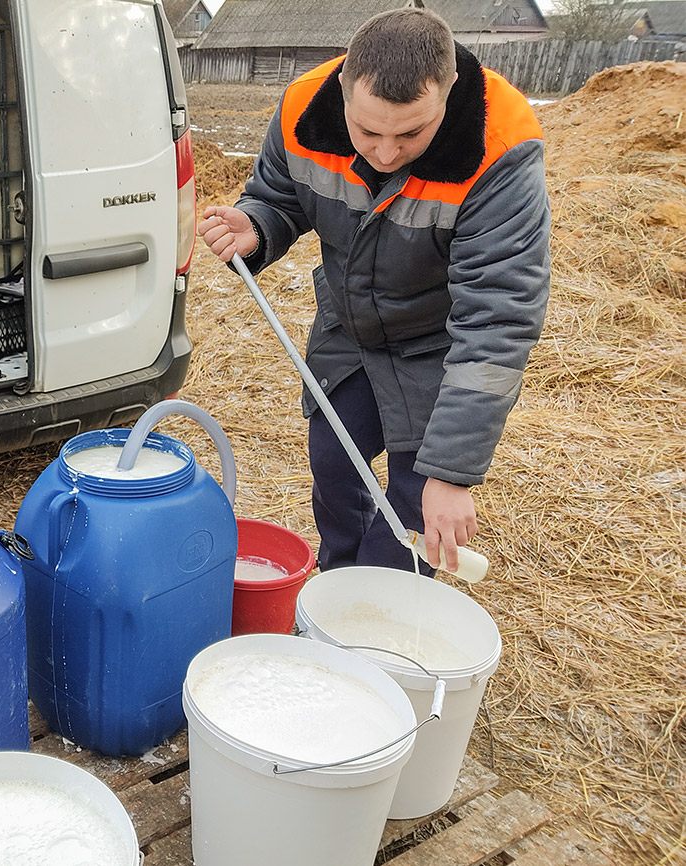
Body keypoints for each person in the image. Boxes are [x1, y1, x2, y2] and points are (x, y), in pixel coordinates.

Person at [199, 8, 549, 575]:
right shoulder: (301, 111)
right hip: (349, 330)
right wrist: (258, 224)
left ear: (448, 91)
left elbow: (497, 318)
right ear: (342, 88)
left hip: (436, 348)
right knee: (335, 473)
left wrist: (453, 473)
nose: (384, 153)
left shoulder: (499, 147)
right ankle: (335, 590)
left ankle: (385, 627)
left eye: (411, 133)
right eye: (367, 132)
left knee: (414, 508)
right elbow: (280, 194)